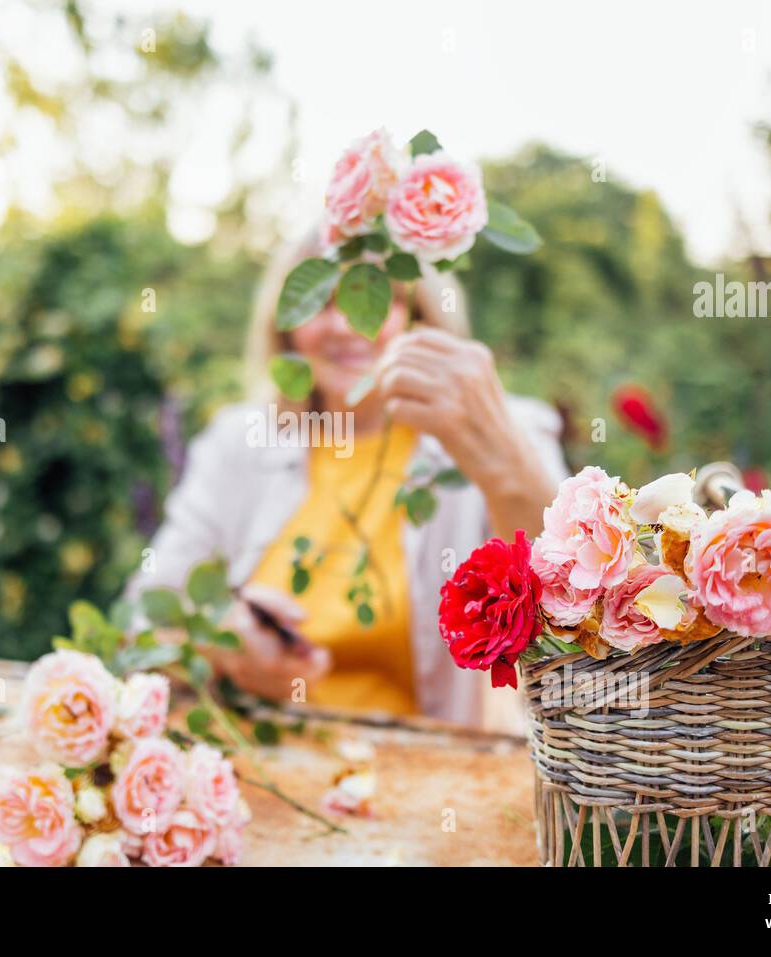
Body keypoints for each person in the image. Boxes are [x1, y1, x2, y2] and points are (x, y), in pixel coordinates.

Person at [127, 235, 568, 728]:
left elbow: (579, 613)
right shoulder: (240, 443)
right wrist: (221, 646)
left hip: (424, 775)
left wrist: (502, 457)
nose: (347, 323)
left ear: (421, 321)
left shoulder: (499, 432)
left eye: (379, 298)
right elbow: (140, 626)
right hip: (260, 764)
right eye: (322, 301)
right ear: (286, 327)